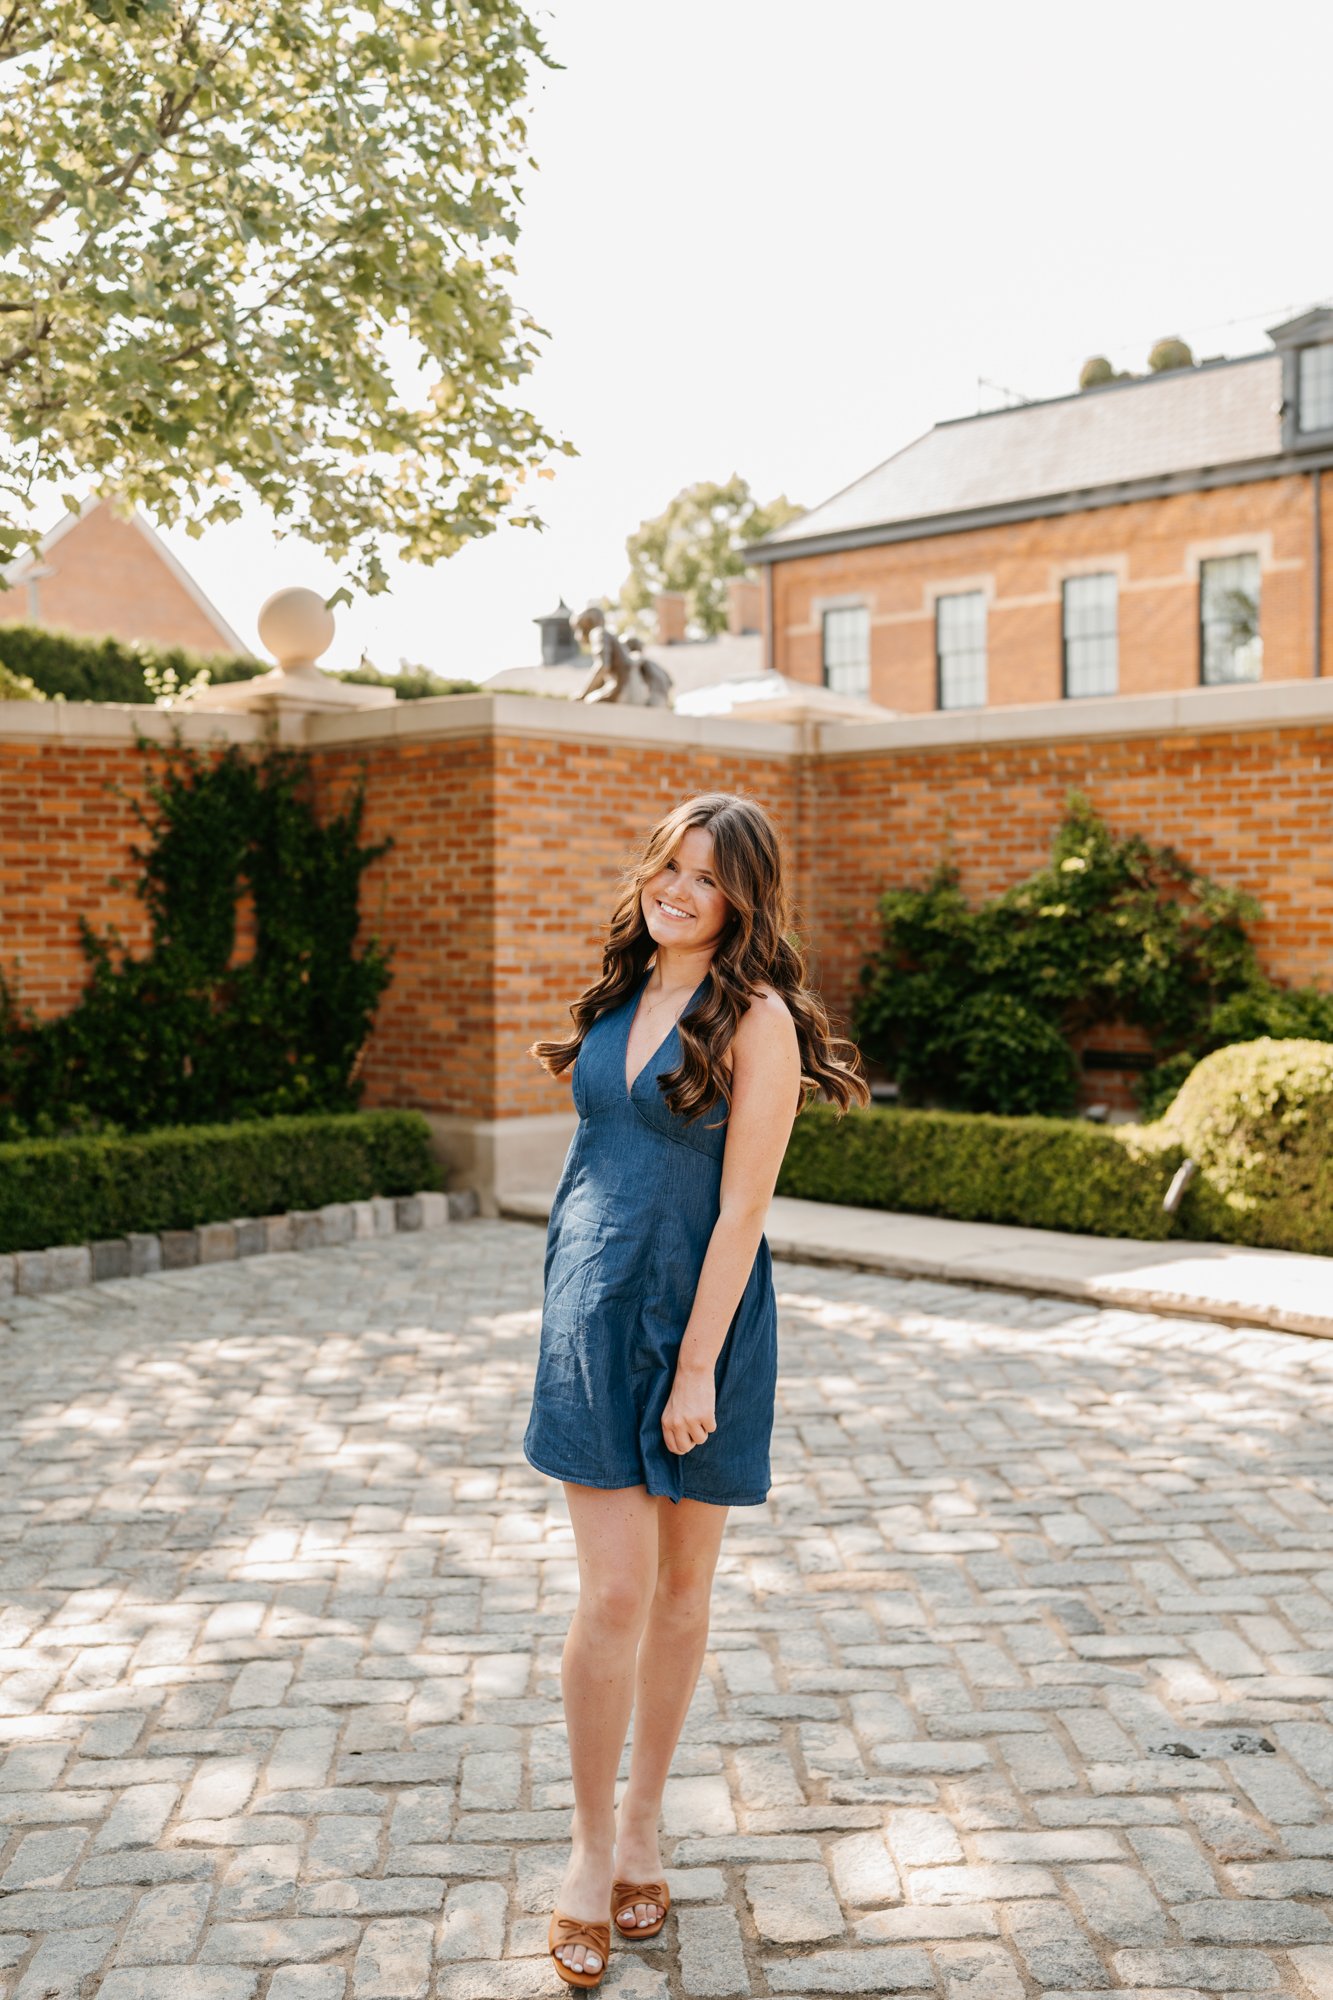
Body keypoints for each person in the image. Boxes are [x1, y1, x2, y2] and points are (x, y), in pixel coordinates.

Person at [524, 790, 869, 1987]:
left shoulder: (755, 1018)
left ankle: (641, 1824)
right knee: (610, 1592)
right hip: (591, 1313)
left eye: (705, 875)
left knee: (678, 1591)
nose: (676, 887)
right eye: (669, 864)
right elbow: (589, 1166)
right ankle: (581, 1847)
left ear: (743, 898)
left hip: (698, 1326)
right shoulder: (623, 992)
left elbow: (743, 1206)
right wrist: (568, 1292)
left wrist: (695, 1362)